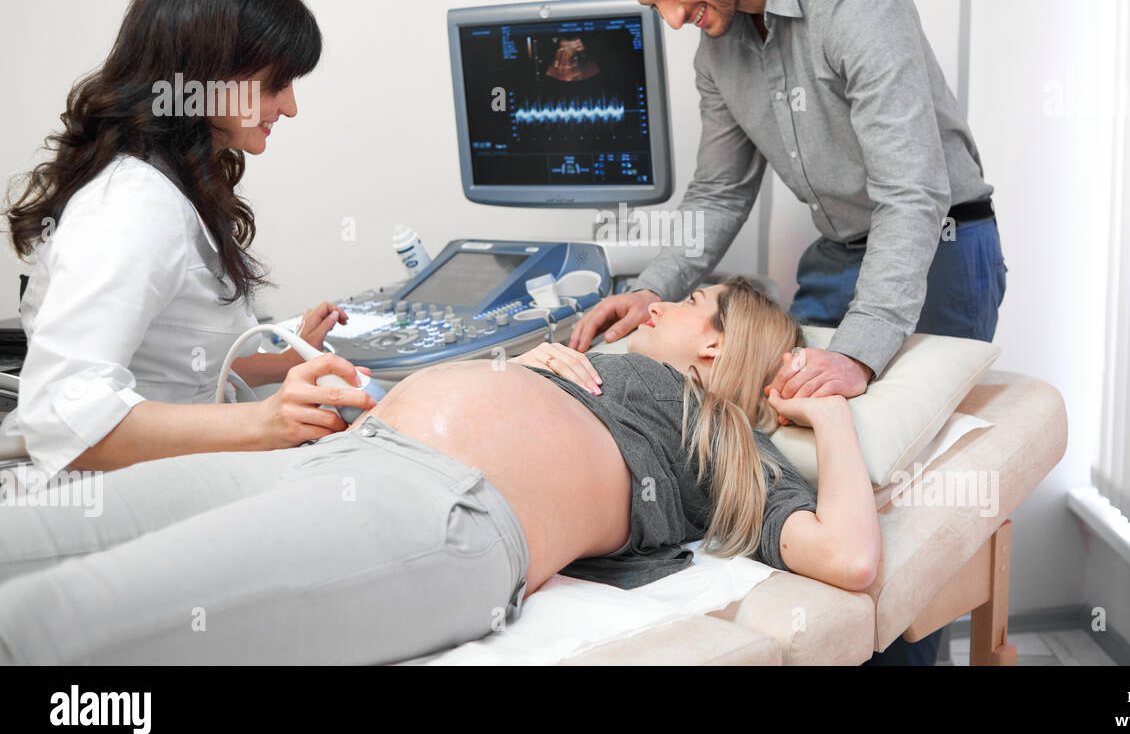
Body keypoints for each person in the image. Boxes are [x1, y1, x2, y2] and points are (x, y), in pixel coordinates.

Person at [568, 0, 1008, 665]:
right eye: (655, 7)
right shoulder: (717, 51)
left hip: (939, 242)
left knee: (903, 495)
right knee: (801, 451)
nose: (673, 19)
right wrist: (655, 289)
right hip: (844, 250)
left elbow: (914, 191)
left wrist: (862, 348)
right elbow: (715, 194)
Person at [0, 277, 878, 664]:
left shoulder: (720, 437)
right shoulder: (576, 358)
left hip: (438, 512)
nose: (655, 304)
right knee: (28, 530)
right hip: (341, 459)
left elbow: (847, 556)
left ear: (718, 341)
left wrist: (830, 413)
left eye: (686, 303)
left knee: (54, 621)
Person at [1, 0, 377, 477]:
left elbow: (170, 370)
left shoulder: (174, 185)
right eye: (278, 83)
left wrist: (287, 364)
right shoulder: (132, 207)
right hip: (96, 497)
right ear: (208, 76)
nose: (289, 107)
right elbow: (64, 419)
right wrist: (266, 423)